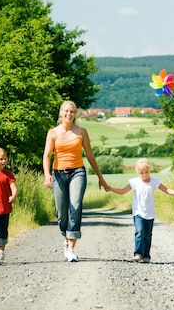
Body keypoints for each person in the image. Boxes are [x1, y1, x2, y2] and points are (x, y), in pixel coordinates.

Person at [43, 100, 108, 262]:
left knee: (76, 205)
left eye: (72, 111)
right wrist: (46, 175)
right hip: (58, 174)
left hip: (77, 172)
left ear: (75, 114)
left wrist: (100, 177)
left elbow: (90, 156)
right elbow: (46, 155)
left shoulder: (81, 132)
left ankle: (71, 248)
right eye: (66, 111)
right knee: (61, 213)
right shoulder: (53, 133)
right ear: (61, 113)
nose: (68, 114)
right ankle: (66, 238)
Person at [106, 158, 174, 263]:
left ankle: (146, 255)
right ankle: (138, 253)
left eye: (146, 172)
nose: (144, 175)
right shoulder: (134, 182)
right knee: (139, 231)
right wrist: (111, 188)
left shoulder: (154, 182)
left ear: (149, 171)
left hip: (150, 213)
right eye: (141, 173)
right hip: (138, 212)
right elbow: (123, 191)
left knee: (147, 235)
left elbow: (166, 190)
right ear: (137, 172)